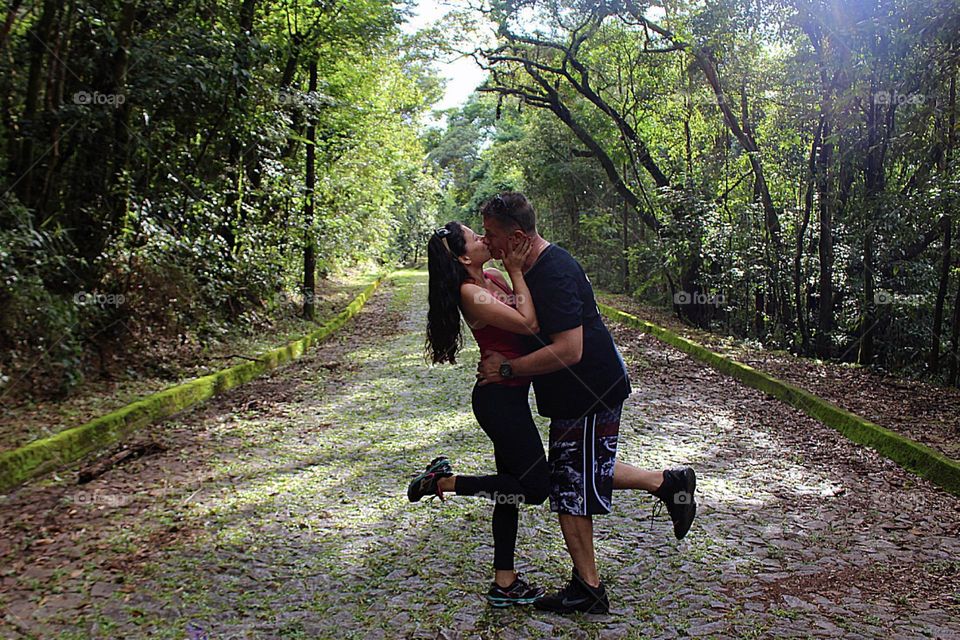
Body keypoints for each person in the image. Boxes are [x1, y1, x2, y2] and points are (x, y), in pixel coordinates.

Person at [477, 192, 698, 615]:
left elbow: (570, 349)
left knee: (570, 485)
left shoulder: (554, 271)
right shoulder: (527, 268)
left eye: (491, 234)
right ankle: (667, 483)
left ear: (518, 235)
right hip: (580, 390)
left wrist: (508, 370)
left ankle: (588, 589)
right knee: (578, 471)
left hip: (588, 389)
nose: (487, 242)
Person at [411, 220, 550, 607]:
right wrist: (517, 271)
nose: (483, 239)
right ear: (462, 256)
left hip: (509, 393)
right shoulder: (470, 292)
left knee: (507, 489)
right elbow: (529, 322)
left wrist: (512, 269)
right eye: (475, 238)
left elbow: (527, 312)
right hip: (497, 402)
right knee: (535, 488)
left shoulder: (489, 275)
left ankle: (504, 583)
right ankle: (443, 482)